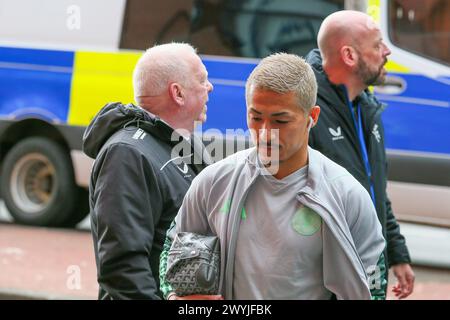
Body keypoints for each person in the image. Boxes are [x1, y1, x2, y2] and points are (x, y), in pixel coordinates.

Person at [160, 53, 387, 300]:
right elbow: (170, 253)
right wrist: (176, 298)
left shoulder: (347, 195)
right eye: (256, 117)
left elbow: (373, 286)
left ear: (313, 117)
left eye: (280, 120)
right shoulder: (213, 181)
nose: (266, 133)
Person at [82, 42, 213, 299]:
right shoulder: (127, 154)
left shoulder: (180, 143)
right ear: (178, 93)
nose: (210, 87)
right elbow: (123, 267)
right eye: (202, 80)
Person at [305, 10, 415, 299]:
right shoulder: (306, 110)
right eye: (378, 45)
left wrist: (396, 252)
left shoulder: (366, 106)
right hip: (325, 277)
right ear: (350, 56)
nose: (387, 51)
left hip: (367, 264)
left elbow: (374, 189)